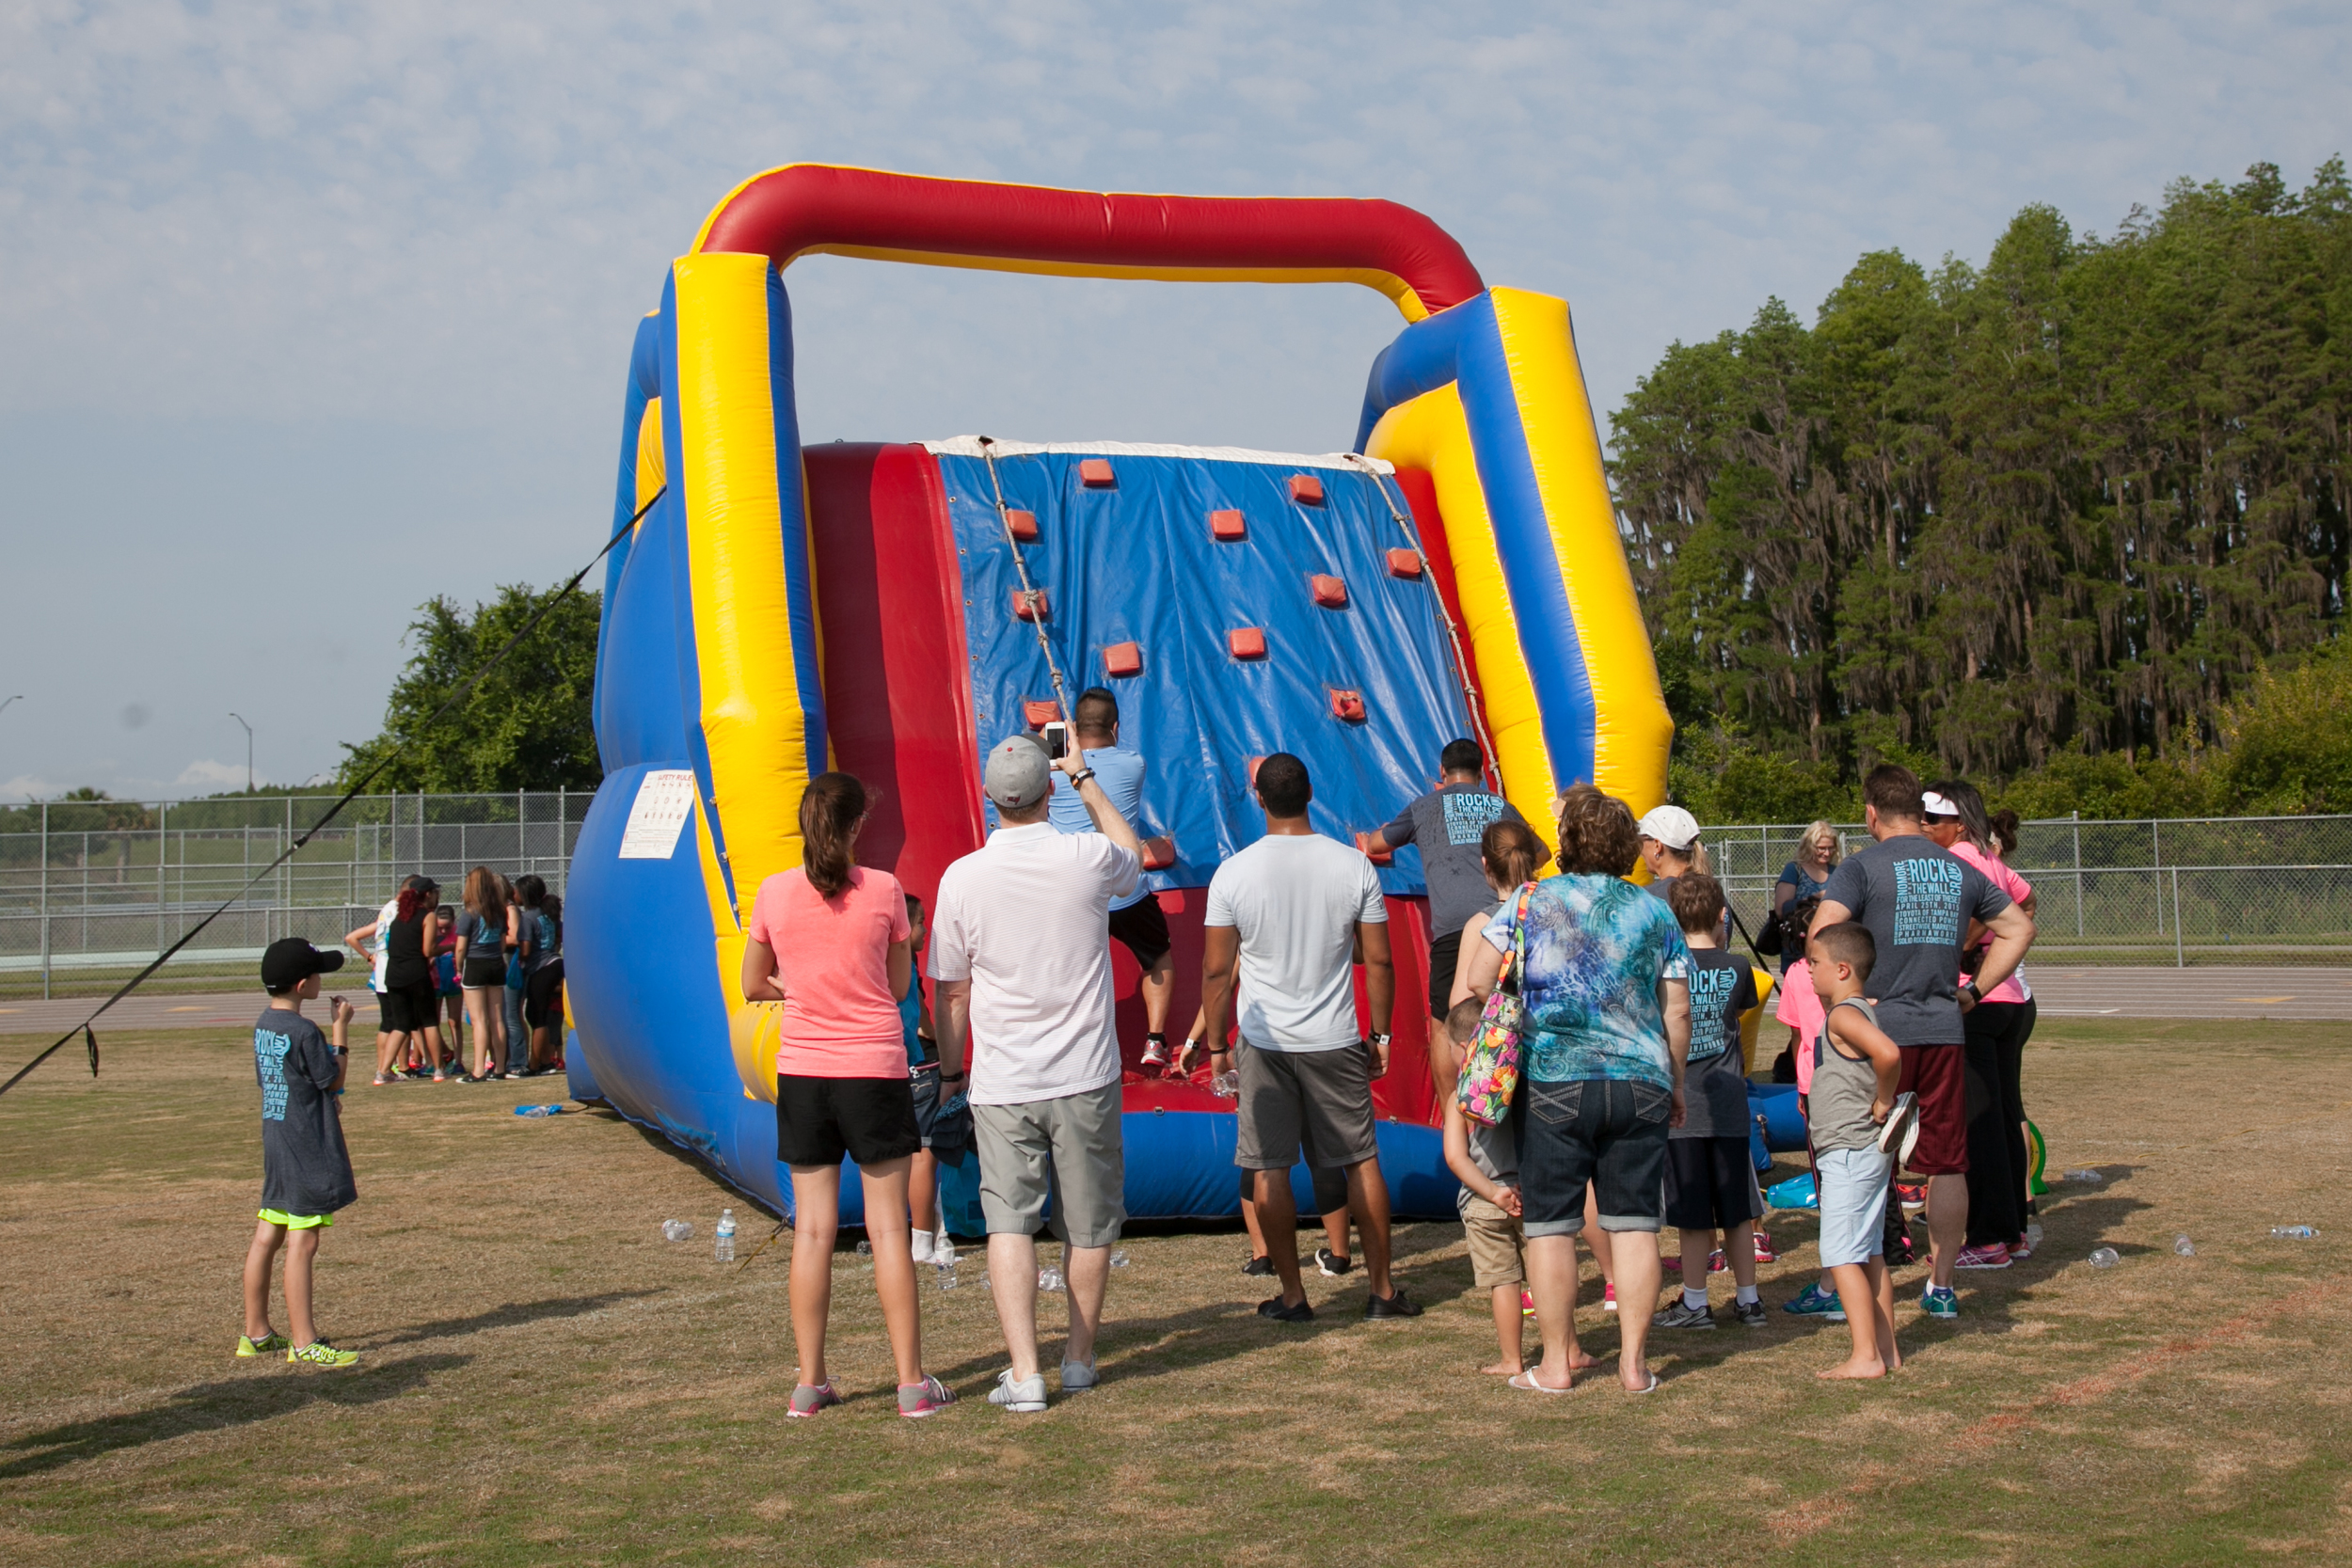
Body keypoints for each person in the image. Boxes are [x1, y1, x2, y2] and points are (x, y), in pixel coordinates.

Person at [930, 735, 1145, 1413]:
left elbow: (952, 990)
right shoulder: (1084, 854)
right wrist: (1084, 775)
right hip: (1084, 1071)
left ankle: (1025, 1370)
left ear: (992, 798)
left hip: (1004, 1080)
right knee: (1088, 1223)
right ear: (1047, 791)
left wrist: (951, 1067)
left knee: (1010, 1224)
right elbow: (1134, 860)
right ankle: (1078, 1357)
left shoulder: (961, 877)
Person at [1465, 784, 1690, 1394]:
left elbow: (1477, 978)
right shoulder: (1654, 910)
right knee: (1636, 1223)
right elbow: (1677, 1010)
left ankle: (1557, 1365)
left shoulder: (1532, 899)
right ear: (1628, 848)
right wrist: (1674, 1081)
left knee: (1551, 1228)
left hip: (1557, 1076)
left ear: (1565, 842)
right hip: (1641, 1077)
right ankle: (1634, 1365)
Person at [739, 771, 951, 1419]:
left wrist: (799, 987)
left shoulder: (773, 892)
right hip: (873, 1069)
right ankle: (910, 1383)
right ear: (857, 825)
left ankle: (810, 1381)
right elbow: (893, 987)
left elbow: (753, 982)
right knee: (890, 1230)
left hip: (805, 1072)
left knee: (812, 1232)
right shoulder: (885, 890)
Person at [1810, 765, 2034, 1320]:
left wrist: (1840, 1011)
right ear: (1918, 810)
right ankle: (1941, 1285)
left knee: (1862, 1156)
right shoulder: (1958, 868)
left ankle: (1851, 1284)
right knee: (1946, 1162)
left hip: (1876, 1033)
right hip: (1941, 1029)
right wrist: (1973, 992)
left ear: (1870, 813)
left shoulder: (1861, 867)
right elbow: (2020, 927)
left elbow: (1822, 936)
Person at [1201, 752, 1417, 1323]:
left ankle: (1294, 1297)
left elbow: (1218, 973)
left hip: (1264, 1042)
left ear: (1260, 799)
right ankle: (1382, 1291)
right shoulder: (1353, 865)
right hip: (1336, 1036)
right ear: (1311, 793)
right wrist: (1381, 1034)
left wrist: (1218, 1045)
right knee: (1360, 1160)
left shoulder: (1234, 871)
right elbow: (1380, 961)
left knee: (1270, 1166)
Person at [1362, 737, 1527, 1086]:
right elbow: (1537, 852)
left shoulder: (1424, 807)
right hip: (1505, 921)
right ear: (1481, 773)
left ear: (1442, 771)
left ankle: (1450, 1113)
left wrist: (1366, 840)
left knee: (1444, 1023)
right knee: (1509, 1010)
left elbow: (1379, 843)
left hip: (1453, 927)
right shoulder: (1501, 806)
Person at [1925, 782, 2038, 1266]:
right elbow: (2027, 903)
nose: (1923, 826)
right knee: (2006, 1117)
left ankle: (1988, 1238)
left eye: (1932, 819)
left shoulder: (1964, 860)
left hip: (1980, 1004)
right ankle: (2012, 1229)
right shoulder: (1990, 858)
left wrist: (1967, 947)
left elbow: (2004, 916)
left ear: (1960, 825)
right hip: (2012, 1001)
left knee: (1980, 1123)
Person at [1651, 873, 1767, 1332]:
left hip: (1685, 1110)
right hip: (1729, 1107)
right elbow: (1739, 1008)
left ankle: (1696, 1302)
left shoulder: (1666, 967)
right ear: (1723, 916)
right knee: (1738, 1210)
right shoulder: (1739, 966)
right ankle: (1749, 1300)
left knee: (1694, 1215)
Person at [242, 938, 360, 1367]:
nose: (320, 980)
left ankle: (256, 1332)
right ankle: (305, 1341)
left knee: (268, 1234)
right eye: (317, 975)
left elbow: (284, 1080)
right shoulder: (304, 1030)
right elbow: (332, 1078)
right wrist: (341, 1028)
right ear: (302, 983)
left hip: (277, 1136)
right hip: (306, 1141)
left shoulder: (264, 1023)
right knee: (303, 1240)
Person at [1047, 688, 1179, 1070]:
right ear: (1116, 728)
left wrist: (1061, 735)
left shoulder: (1053, 762)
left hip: (1075, 891)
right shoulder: (1133, 762)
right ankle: (1154, 1041)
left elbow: (1051, 748)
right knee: (1158, 958)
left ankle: (1080, 1049)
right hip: (1125, 890)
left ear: (1073, 728)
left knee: (1075, 974)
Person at [1804, 922, 1905, 1379]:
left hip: (1849, 1149)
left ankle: (1864, 1356)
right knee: (1870, 1254)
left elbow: (1888, 1055)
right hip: (1863, 1150)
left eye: (1815, 963)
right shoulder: (1861, 1009)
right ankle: (1885, 1350)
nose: (1809, 971)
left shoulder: (1845, 1014)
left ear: (1842, 969)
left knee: (1841, 1254)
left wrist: (1884, 1099)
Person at [1440, 995, 1528, 1375]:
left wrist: (1492, 1192)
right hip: (1531, 1195)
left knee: (1504, 1283)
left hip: (1484, 1200)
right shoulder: (1524, 1082)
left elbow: (1455, 1157)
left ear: (1464, 1047)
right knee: (1547, 1275)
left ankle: (1511, 1360)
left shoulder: (1460, 1095)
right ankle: (1568, 1349)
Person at [902, 892, 972, 1265]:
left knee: (917, 1156)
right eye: (919, 923)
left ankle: (931, 1231)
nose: (925, 930)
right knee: (926, 1155)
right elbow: (920, 1014)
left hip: (905, 1067)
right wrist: (939, 1045)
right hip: (923, 1068)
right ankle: (922, 1242)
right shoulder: (902, 961)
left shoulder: (896, 957)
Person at [345, 875, 419, 1085]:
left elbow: (356, 937)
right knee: (396, 1023)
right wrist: (371, 956)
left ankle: (386, 1068)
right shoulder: (399, 910)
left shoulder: (387, 908)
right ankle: (385, 1069)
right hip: (393, 971)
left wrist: (371, 956)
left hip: (383, 972)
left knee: (389, 1023)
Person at [379, 878, 448, 1082]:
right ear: (428, 894)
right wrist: (451, 947)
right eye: (435, 892)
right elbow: (428, 950)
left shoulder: (399, 918)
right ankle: (438, 1069)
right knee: (429, 1021)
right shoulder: (427, 917)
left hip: (393, 975)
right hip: (416, 973)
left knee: (400, 1025)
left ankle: (382, 1072)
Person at [1636, 803, 1728, 945]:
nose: (1640, 849)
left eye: (1641, 841)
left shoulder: (1649, 898)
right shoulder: (1714, 893)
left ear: (1657, 845)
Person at [454, 867, 515, 1083]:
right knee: (497, 1017)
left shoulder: (469, 912)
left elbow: (461, 946)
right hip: (495, 963)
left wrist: (459, 968)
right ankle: (499, 1067)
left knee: (479, 1020)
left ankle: (478, 1069)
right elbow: (501, 941)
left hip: (475, 964)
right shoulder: (499, 911)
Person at [1775, 821, 1843, 971]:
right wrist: (1815, 898)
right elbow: (1781, 909)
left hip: (1829, 947)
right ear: (1809, 846)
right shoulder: (1794, 870)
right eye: (1821, 848)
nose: (1827, 853)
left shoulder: (1836, 872)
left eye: (1831, 848)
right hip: (1797, 948)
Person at [521, 883, 566, 1074]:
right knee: (541, 1015)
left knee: (536, 1017)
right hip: (555, 962)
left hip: (541, 967)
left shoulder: (528, 917)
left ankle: (534, 1064)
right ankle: (547, 1060)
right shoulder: (548, 914)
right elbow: (560, 934)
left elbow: (525, 948)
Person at [503, 874, 539, 1076]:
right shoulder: (537, 915)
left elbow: (520, 941)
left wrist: (500, 940)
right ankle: (520, 1058)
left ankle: (518, 1062)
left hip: (518, 970)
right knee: (518, 1015)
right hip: (525, 968)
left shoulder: (524, 916)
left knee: (513, 1016)